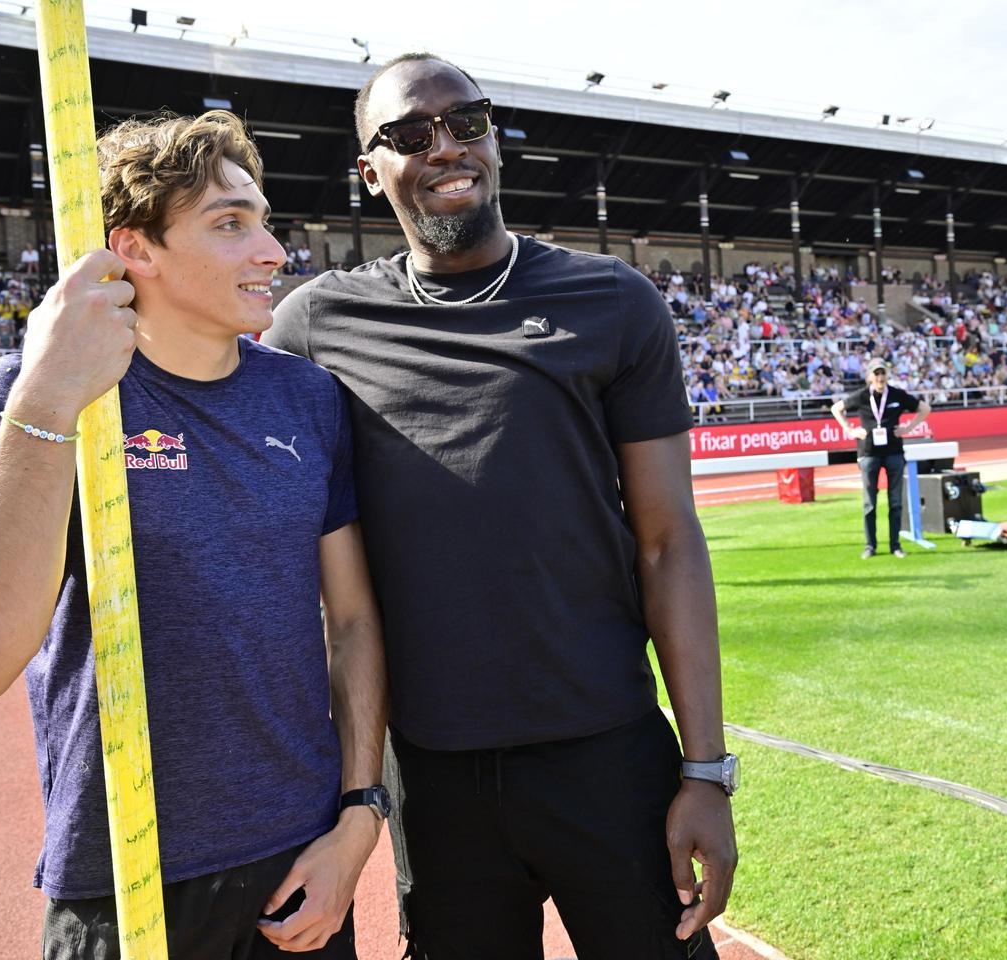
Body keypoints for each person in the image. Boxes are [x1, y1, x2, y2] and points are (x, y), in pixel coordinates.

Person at [267, 52, 737, 960]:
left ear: (495, 140)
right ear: (370, 173)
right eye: (410, 135)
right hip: (434, 777)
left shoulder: (613, 303)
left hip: (608, 753)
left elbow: (670, 543)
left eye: (467, 122)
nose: (446, 147)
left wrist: (706, 770)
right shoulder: (315, 325)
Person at [0, 110, 388, 960]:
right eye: (230, 225)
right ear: (136, 250)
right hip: (121, 880)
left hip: (300, 870)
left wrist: (359, 817)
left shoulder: (308, 400)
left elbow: (351, 622)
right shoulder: (24, 395)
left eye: (265, 222)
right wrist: (50, 403)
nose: (272, 253)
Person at [831, 358, 931, 559]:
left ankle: (895, 545)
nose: (880, 377)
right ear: (869, 376)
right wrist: (850, 430)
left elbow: (925, 409)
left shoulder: (897, 395)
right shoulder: (861, 396)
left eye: (882, 373)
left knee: (896, 502)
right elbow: (836, 409)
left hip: (894, 453)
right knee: (870, 503)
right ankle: (870, 546)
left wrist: (908, 428)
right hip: (868, 454)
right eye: (876, 374)